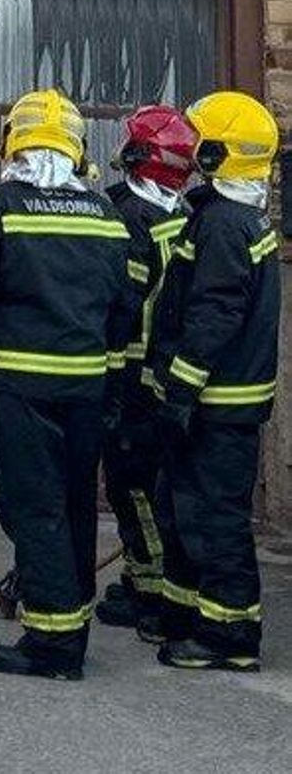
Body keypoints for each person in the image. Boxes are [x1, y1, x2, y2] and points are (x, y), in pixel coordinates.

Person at [0, 89, 137, 680]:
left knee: (34, 506)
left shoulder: (0, 206)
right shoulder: (106, 215)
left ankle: (51, 644)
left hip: (23, 387)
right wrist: (114, 378)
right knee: (75, 504)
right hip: (86, 389)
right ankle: (68, 622)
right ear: (76, 149)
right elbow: (123, 305)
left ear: (13, 143)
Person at [146, 91, 280, 672]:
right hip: (218, 403)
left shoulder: (224, 225)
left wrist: (180, 389)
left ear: (220, 152)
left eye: (200, 143)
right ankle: (186, 617)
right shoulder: (226, 214)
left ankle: (230, 637)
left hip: (216, 405)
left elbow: (213, 315)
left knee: (215, 519)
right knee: (184, 512)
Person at [93, 107, 195, 632]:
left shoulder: (128, 216)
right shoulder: (183, 214)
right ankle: (143, 579)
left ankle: (149, 588)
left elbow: (123, 307)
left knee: (132, 484)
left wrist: (110, 384)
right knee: (152, 481)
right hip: (166, 372)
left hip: (132, 377)